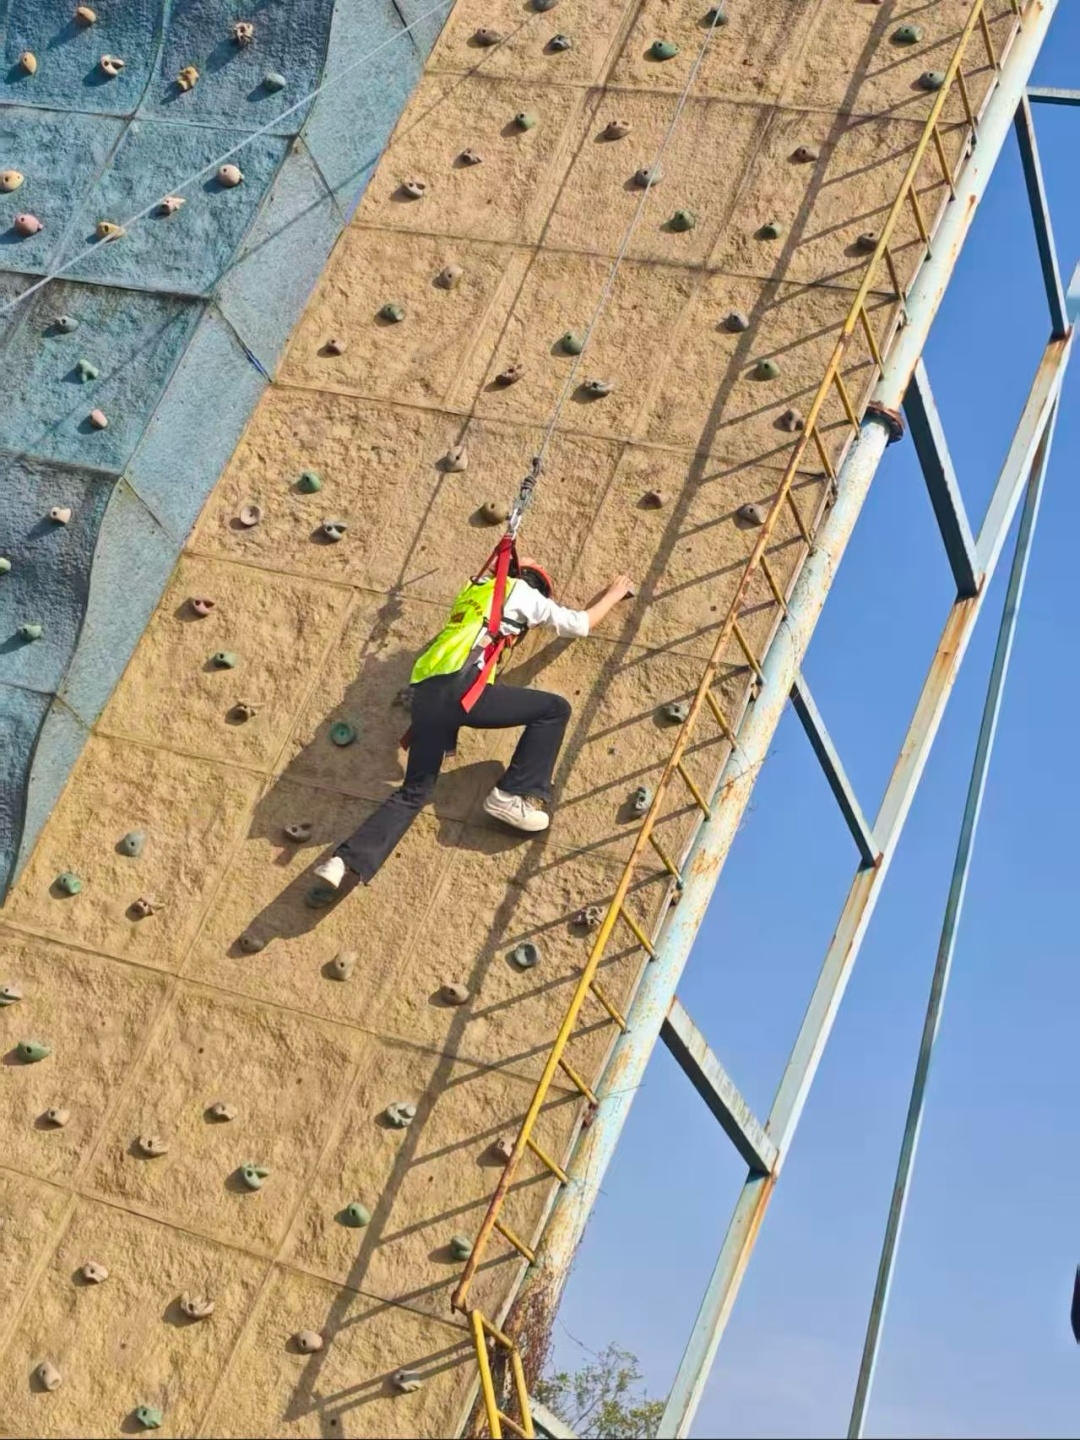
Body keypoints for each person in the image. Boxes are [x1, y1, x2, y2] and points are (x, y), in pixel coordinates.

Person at [312, 553, 634, 889]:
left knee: (415, 791)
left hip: (426, 696)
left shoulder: (473, 592)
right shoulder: (520, 592)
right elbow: (579, 624)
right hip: (461, 689)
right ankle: (512, 795)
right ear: (534, 584)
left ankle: (343, 861)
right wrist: (613, 594)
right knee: (554, 709)